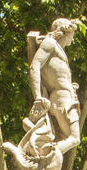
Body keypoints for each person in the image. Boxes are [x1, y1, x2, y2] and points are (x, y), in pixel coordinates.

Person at [28, 18, 81, 158]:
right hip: (62, 98)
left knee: (64, 137)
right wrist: (37, 97)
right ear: (66, 31)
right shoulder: (50, 43)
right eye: (73, 33)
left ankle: (47, 157)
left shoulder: (57, 48)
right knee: (75, 138)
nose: (73, 38)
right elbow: (35, 66)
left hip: (66, 97)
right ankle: (46, 156)